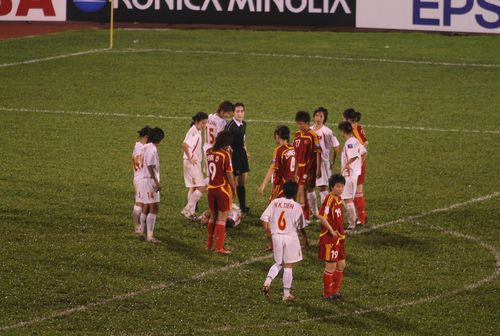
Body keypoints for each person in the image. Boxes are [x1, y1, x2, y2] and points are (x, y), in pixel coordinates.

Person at [261, 181, 306, 302]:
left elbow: (264, 218)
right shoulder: (296, 206)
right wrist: (305, 239)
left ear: (283, 190)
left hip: (276, 236)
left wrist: (268, 230)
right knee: (288, 265)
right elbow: (301, 225)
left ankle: (268, 281)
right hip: (290, 237)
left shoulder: (275, 202)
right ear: (295, 192)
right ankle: (286, 294)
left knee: (279, 262)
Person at [258, 125, 296, 251]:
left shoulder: (279, 150)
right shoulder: (293, 148)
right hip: (291, 189)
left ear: (278, 136)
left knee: (266, 218)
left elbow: (273, 168)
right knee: (285, 218)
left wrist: (263, 184)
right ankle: (280, 244)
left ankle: (274, 244)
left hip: (280, 188)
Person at [293, 111, 322, 247]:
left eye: (301, 124)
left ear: (306, 123)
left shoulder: (313, 135)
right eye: (298, 123)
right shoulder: (297, 135)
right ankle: (307, 215)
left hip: (308, 168)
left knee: (302, 191)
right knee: (301, 192)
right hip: (298, 168)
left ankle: (306, 217)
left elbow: (317, 154)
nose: (299, 126)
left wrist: (317, 169)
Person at [206, 131, 237, 254]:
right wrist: (234, 189)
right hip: (222, 189)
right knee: (222, 218)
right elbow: (229, 174)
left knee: (213, 216)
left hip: (211, 188)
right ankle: (219, 247)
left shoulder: (209, 152)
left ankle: (209, 245)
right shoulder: (225, 155)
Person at [318, 174, 346, 300]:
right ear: (332, 187)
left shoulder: (339, 199)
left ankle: (335, 291)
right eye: (338, 186)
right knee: (331, 266)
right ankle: (327, 293)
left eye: (342, 186)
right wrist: (331, 230)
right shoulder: (329, 200)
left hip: (339, 237)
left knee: (341, 265)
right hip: (330, 238)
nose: (340, 189)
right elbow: (321, 216)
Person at [310, 107, 340, 213]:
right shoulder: (309, 130)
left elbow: (336, 148)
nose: (318, 118)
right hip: (311, 163)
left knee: (323, 188)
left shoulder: (327, 132)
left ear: (324, 118)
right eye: (317, 115)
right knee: (310, 188)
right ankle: (315, 212)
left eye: (321, 116)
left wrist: (332, 162)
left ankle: (326, 212)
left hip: (323, 163)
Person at [338, 121, 367, 231]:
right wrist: (359, 164)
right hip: (354, 174)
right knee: (347, 198)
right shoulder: (356, 140)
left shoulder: (349, 143)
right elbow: (364, 152)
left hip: (349, 175)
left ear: (342, 131)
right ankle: (353, 221)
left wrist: (347, 165)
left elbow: (354, 155)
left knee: (347, 200)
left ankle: (351, 224)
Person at [138, 127, 165, 243]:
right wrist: (156, 182)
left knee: (147, 206)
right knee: (154, 207)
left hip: (143, 179)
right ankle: (149, 236)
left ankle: (141, 231)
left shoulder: (144, 147)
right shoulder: (152, 149)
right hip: (150, 181)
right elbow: (150, 166)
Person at [344, 108, 369, 225]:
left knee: (356, 191)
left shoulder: (355, 129)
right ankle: (361, 217)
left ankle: (362, 218)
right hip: (357, 163)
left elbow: (365, 144)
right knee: (356, 191)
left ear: (348, 119)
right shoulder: (357, 127)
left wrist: (359, 160)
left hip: (357, 164)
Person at [181, 112, 209, 219]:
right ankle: (187, 208)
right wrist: (190, 157)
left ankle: (191, 212)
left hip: (191, 163)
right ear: (197, 122)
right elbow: (184, 144)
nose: (204, 125)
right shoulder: (193, 132)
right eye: (203, 123)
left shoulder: (196, 130)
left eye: (206, 123)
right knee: (201, 187)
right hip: (192, 164)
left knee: (192, 187)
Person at [225, 102, 251, 213]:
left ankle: (243, 206)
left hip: (242, 154)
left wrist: (246, 151)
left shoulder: (244, 124)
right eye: (237, 112)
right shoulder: (231, 127)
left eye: (242, 111)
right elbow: (226, 143)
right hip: (234, 155)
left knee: (243, 180)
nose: (240, 114)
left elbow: (243, 140)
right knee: (232, 181)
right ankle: (229, 204)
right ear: (233, 113)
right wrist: (229, 158)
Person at [132, 125, 150, 234]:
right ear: (146, 137)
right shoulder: (142, 148)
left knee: (143, 203)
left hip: (138, 177)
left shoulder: (137, 146)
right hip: (141, 178)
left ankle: (141, 226)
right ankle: (137, 226)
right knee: (139, 203)